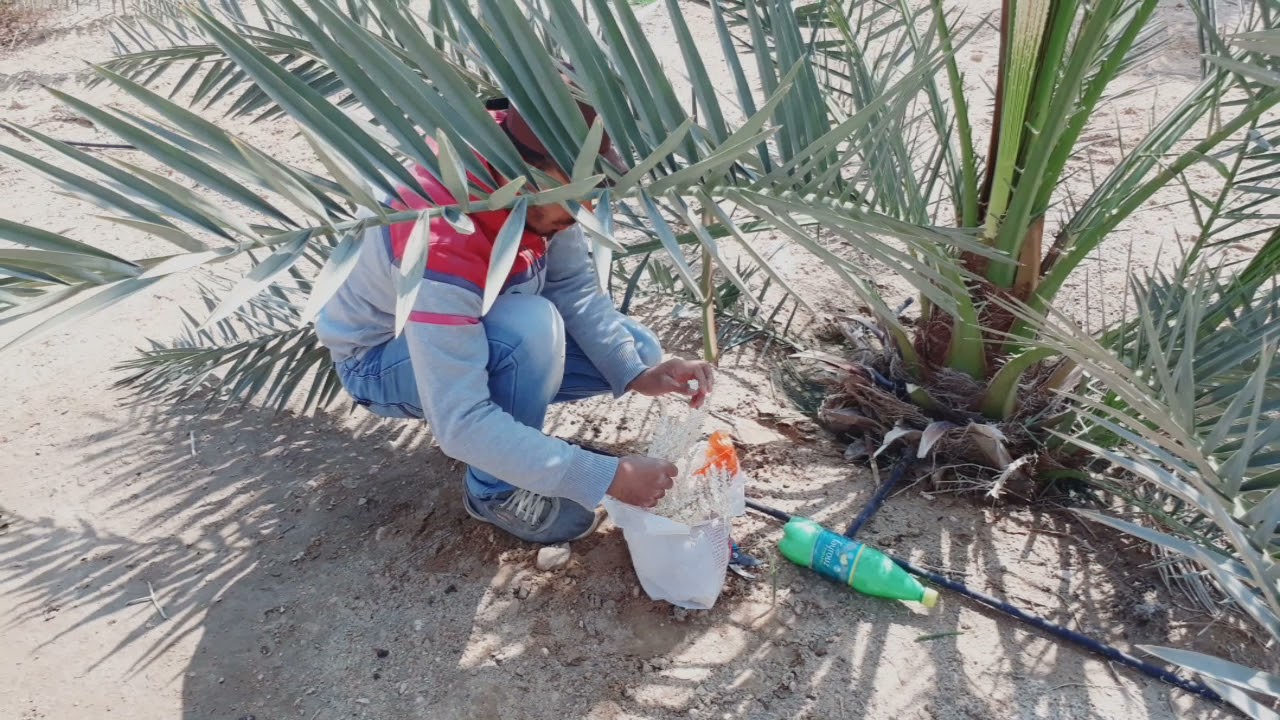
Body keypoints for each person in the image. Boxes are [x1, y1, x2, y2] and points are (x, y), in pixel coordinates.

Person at [315, 100, 715, 545]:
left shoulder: (545, 174)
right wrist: (606, 477)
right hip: (381, 363)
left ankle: (518, 442)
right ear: (524, 181)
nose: (580, 216)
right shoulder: (439, 241)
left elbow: (572, 285)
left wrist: (635, 372)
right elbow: (460, 422)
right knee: (526, 331)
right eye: (573, 206)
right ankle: (495, 491)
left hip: (484, 329)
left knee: (636, 347)